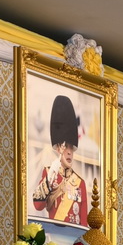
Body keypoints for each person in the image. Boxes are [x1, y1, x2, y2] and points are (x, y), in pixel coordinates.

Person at [31, 94, 89, 226]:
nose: (69, 151)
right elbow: (38, 205)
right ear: (58, 149)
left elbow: (83, 223)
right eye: (65, 147)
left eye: (71, 147)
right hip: (53, 241)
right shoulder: (49, 174)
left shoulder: (80, 183)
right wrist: (51, 175)